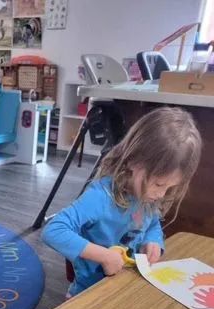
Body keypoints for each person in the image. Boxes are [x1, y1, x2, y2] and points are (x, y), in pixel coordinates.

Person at [42, 107, 202, 297]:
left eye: (169, 188)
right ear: (134, 161)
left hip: (127, 287)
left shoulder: (147, 196)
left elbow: (152, 224)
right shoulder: (101, 197)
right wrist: (103, 256)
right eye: (159, 184)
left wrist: (153, 240)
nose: (161, 194)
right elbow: (53, 230)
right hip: (87, 295)